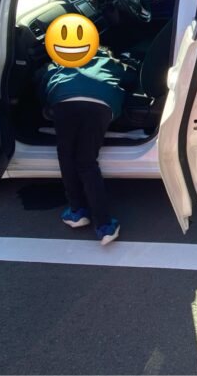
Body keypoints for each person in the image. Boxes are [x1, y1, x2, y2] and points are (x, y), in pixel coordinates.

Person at [40, 47, 138, 245]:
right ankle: (104, 226)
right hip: (100, 104)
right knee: (86, 162)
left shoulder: (61, 60)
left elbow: (44, 83)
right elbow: (131, 77)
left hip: (64, 101)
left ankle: (77, 212)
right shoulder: (108, 60)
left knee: (66, 157)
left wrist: (48, 105)